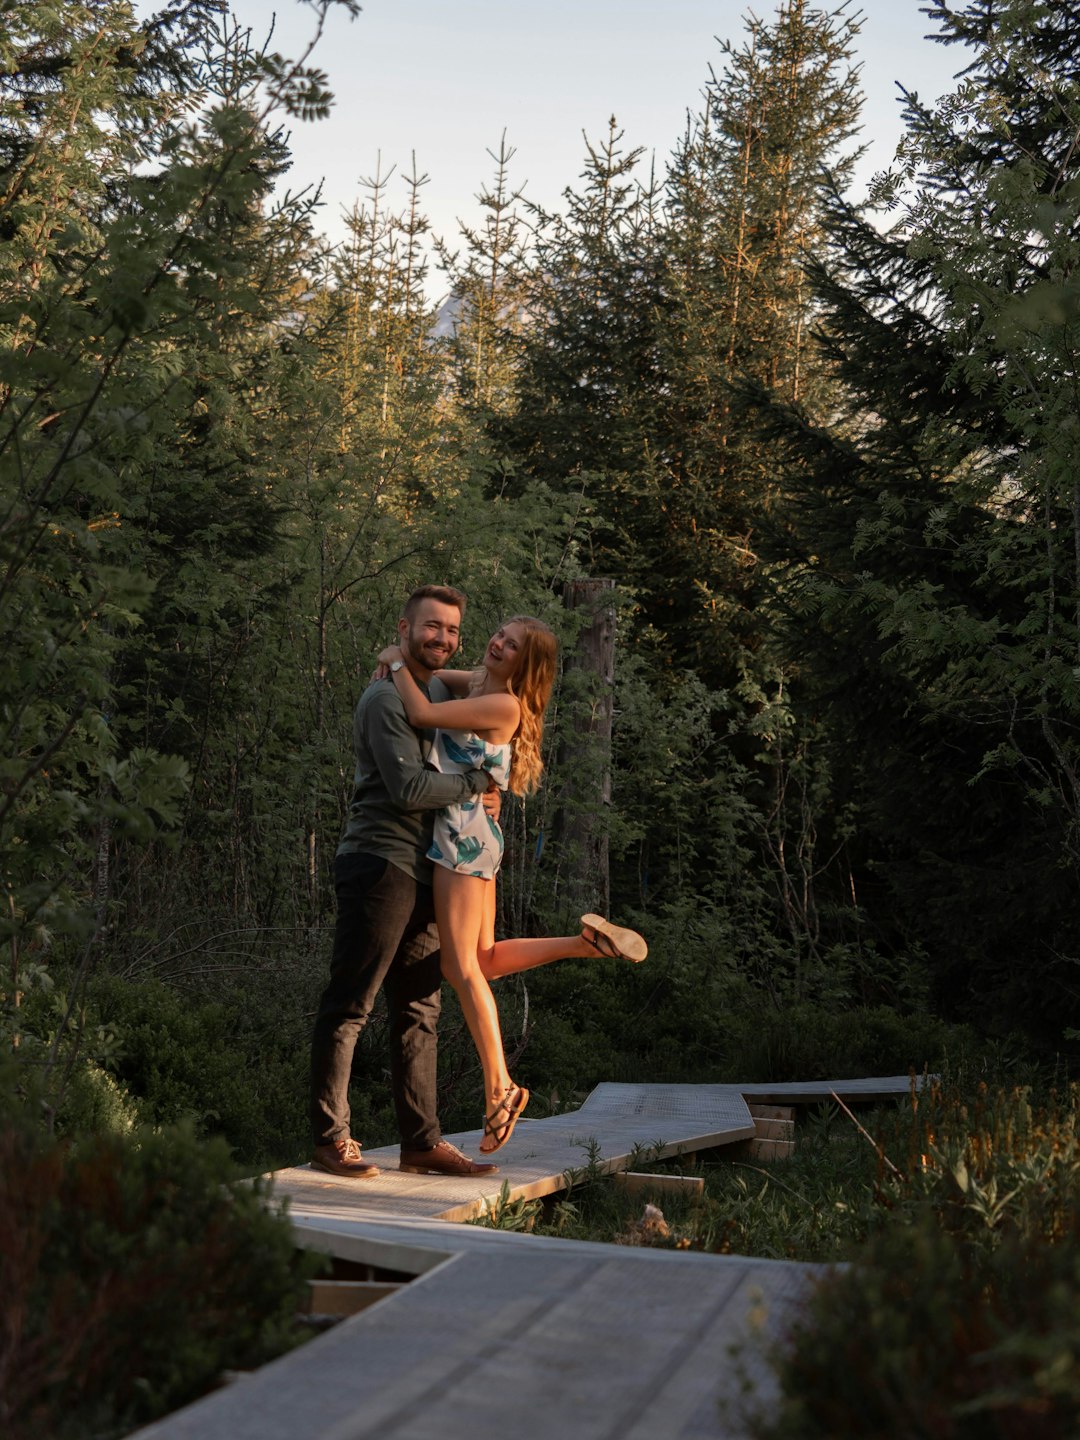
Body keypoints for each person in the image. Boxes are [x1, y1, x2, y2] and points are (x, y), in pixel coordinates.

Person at [377, 615, 647, 1156]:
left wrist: (393, 660)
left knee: (460, 969)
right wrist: (406, 661)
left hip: (462, 834)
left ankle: (500, 1087)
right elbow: (436, 679)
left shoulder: (504, 706)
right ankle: (582, 944)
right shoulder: (480, 683)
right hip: (481, 831)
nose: (498, 643)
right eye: (499, 634)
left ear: (528, 664)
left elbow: (423, 710)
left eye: (512, 645)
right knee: (488, 958)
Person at [308, 584, 502, 1180]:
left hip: (426, 869)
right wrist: (476, 786)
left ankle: (421, 1143)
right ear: (404, 626)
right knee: (351, 1004)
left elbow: (501, 677)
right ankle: (330, 1138)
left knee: (420, 1009)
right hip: (379, 862)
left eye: (451, 631)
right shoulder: (384, 701)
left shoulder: (433, 689)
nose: (441, 639)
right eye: (430, 627)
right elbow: (410, 790)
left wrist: (398, 657)